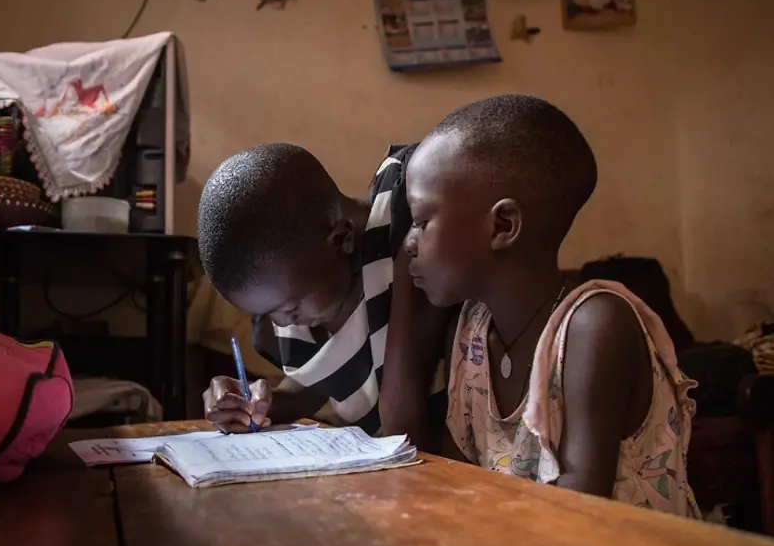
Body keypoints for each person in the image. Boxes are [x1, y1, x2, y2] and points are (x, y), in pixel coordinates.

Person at [401, 94, 701, 517]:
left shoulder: (595, 327)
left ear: (503, 225)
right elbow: (459, 480)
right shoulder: (472, 327)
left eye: (420, 221)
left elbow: (576, 516)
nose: (407, 245)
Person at [197, 143, 447, 442]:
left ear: (342, 239)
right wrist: (257, 404)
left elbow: (405, 427)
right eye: (267, 315)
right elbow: (325, 378)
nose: (284, 323)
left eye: (291, 307)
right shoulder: (303, 278)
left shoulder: (408, 228)